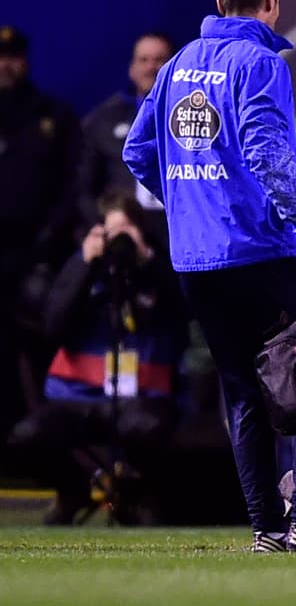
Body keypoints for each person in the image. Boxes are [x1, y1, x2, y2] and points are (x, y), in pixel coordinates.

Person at [122, 0, 296, 553]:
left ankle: (267, 530)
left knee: (243, 394)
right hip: (260, 252)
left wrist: (189, 202)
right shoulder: (259, 63)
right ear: (270, 3)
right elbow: (268, 156)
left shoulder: (178, 64)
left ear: (217, 3)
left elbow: (137, 151)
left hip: (198, 263)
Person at [9, 192, 185, 524]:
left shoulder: (155, 267)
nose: (119, 238)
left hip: (141, 398)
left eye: (127, 229)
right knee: (28, 436)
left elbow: (184, 316)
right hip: (77, 396)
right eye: (112, 230)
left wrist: (147, 260)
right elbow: (52, 324)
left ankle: (134, 494)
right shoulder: (83, 267)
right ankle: (74, 488)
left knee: (147, 428)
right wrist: (83, 265)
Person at [0, 25, 82, 445]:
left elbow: (73, 185)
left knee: (40, 352)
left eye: (12, 57)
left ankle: (45, 446)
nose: (5, 66)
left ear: (26, 61)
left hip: (38, 255)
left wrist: (49, 240)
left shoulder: (51, 116)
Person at [77, 32, 173, 229]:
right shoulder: (102, 120)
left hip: (179, 229)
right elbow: (83, 186)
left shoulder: (195, 113)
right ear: (132, 69)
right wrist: (100, 226)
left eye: (159, 60)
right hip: (120, 230)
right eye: (143, 60)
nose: (151, 67)